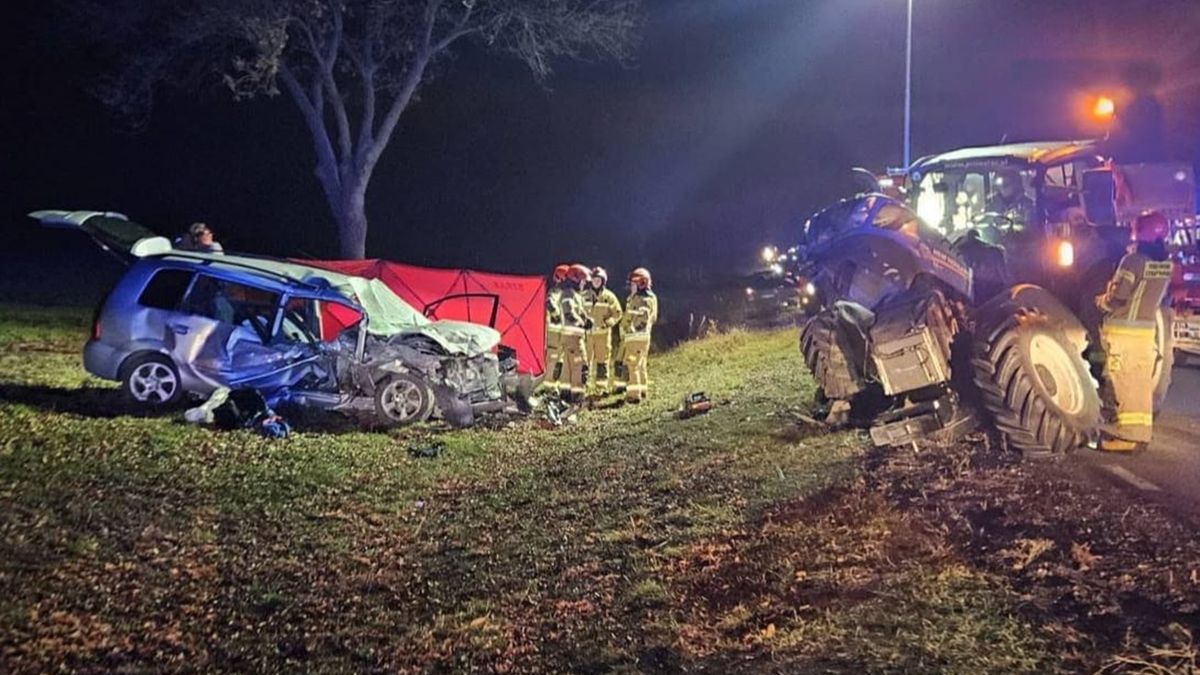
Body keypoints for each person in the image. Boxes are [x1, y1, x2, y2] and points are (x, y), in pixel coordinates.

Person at [1094, 210, 1174, 452]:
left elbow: (1118, 296)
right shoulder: (1164, 266)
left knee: (1125, 382)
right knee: (1139, 383)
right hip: (1145, 331)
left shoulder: (1133, 261)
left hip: (1124, 330)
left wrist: (1101, 301)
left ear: (1138, 232)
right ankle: (1140, 433)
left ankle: (1127, 438)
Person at [620, 267, 658, 403]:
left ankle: (633, 395)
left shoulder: (644, 300)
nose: (631, 286)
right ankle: (642, 390)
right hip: (641, 337)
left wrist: (630, 329)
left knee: (632, 364)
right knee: (640, 364)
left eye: (633, 283)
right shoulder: (641, 298)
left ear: (641, 283)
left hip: (637, 337)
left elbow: (642, 319)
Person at [584, 266, 623, 397]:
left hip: (603, 335)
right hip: (587, 335)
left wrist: (608, 323)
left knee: (602, 361)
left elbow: (618, 313)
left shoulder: (609, 297)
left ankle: (601, 387)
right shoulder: (584, 295)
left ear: (603, 281)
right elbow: (578, 311)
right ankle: (585, 385)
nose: (596, 282)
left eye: (598, 279)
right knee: (585, 361)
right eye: (594, 279)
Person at [559, 264, 593, 402]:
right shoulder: (568, 294)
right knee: (580, 365)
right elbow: (569, 313)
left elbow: (579, 312)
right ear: (576, 279)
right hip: (573, 337)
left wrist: (587, 319)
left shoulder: (573, 294)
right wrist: (583, 323)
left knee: (568, 366)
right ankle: (577, 397)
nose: (584, 284)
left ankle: (565, 394)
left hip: (570, 337)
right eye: (583, 281)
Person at [544, 264, 570, 391]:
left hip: (564, 331)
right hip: (555, 332)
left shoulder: (566, 293)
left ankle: (557, 382)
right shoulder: (554, 292)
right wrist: (556, 315)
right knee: (553, 358)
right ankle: (550, 385)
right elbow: (549, 304)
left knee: (561, 359)